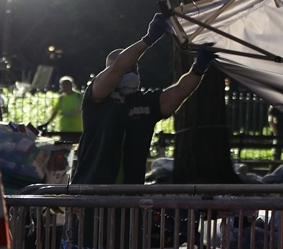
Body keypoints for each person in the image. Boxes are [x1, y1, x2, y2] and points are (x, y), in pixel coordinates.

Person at [72, 14, 218, 185]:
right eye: (128, 68)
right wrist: (148, 40)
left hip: (130, 194)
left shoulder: (145, 103)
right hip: (91, 189)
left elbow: (180, 91)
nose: (133, 73)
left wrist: (198, 69)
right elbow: (118, 67)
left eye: (135, 69)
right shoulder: (98, 98)